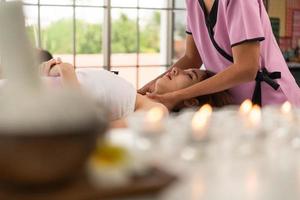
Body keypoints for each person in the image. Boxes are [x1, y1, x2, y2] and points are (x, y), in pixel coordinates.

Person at [139, 0, 300, 108]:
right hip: (237, 107)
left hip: (276, 104)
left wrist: (177, 95)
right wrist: (144, 89)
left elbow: (246, 68)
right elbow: (191, 58)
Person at [41, 59, 232, 126]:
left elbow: (91, 130)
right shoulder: (135, 97)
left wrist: (66, 71)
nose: (175, 69)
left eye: (189, 76)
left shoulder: (157, 112)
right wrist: (55, 70)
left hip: (40, 104)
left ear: (191, 101)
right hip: (36, 91)